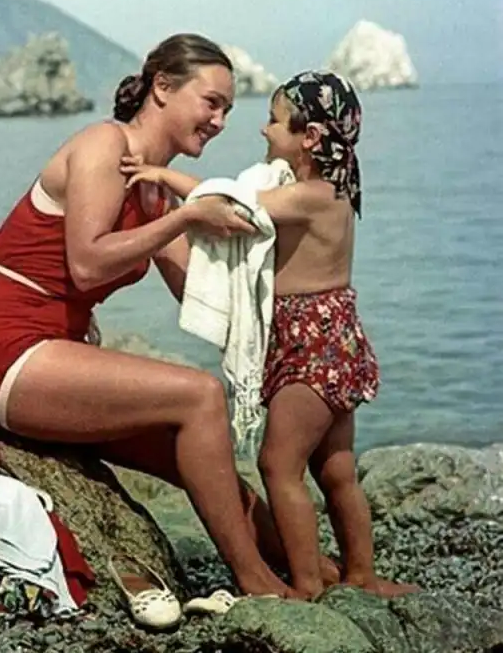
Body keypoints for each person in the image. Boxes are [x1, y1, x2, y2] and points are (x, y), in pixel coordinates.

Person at [0, 33, 311, 599]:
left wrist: (293, 338)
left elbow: (204, 299)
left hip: (47, 349)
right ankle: (255, 581)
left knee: (190, 449)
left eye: (228, 111)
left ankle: (312, 566)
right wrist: (186, 219)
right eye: (211, 103)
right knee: (199, 396)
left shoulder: (155, 190)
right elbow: (87, 263)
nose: (219, 122)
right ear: (162, 87)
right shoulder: (104, 145)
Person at [120, 71, 418, 599]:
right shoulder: (329, 191)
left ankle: (306, 584)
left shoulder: (311, 196)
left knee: (278, 466)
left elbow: (232, 203)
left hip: (311, 344)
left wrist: (162, 177)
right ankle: (361, 575)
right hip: (334, 339)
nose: (264, 130)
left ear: (310, 137)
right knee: (336, 470)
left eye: (275, 121)